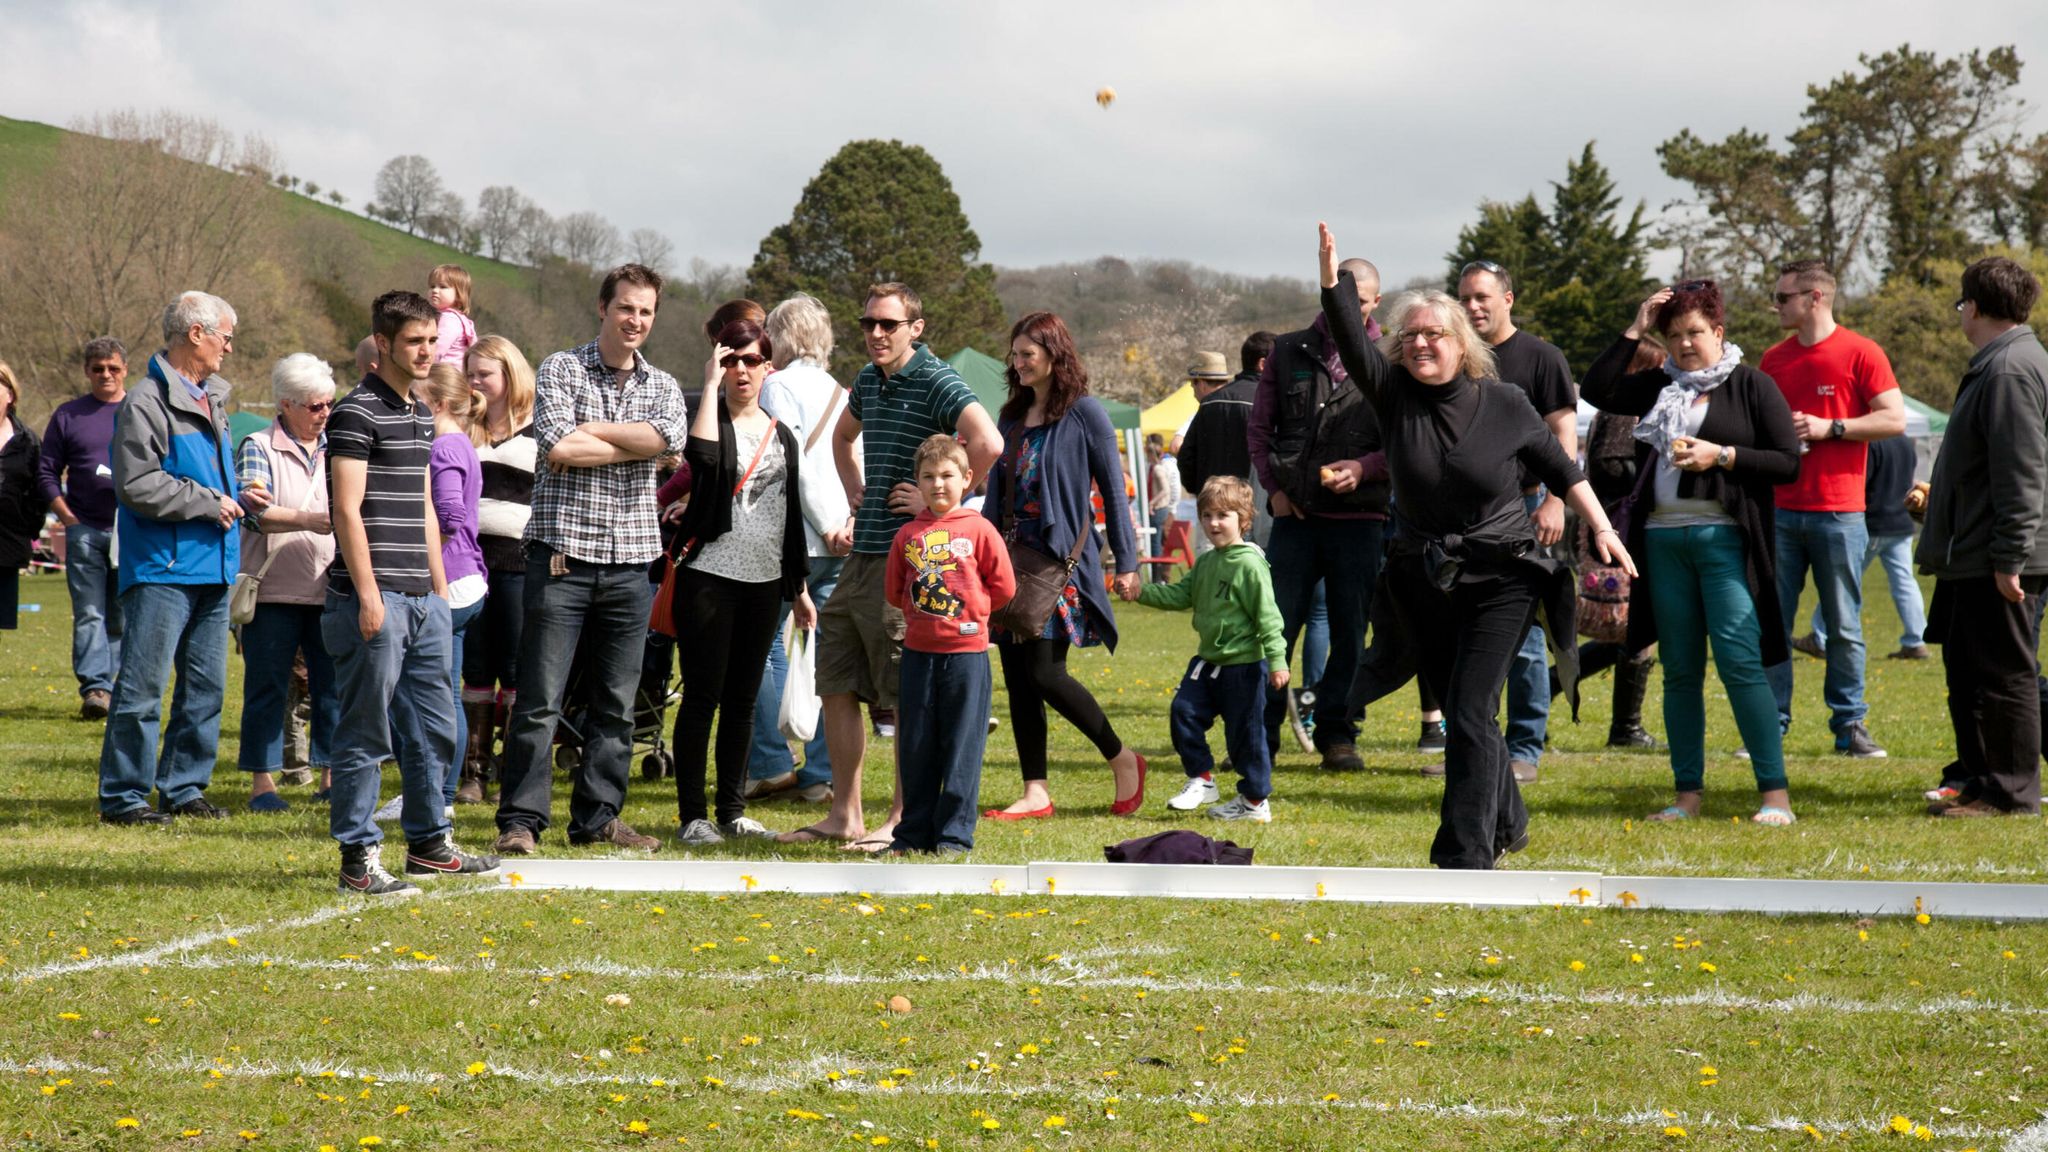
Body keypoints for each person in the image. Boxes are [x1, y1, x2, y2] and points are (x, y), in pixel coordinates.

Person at [1315, 223, 1633, 869]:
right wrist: (1332, 284)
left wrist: (1601, 529)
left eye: (1435, 333)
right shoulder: (1394, 397)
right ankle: (1510, 820)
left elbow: (1564, 470)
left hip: (1502, 575)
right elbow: (1350, 339)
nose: (1421, 343)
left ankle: (1466, 855)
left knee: (1466, 710)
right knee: (1472, 717)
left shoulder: (1507, 402)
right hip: (1424, 578)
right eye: (1411, 335)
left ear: (1462, 343)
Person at [776, 282, 1002, 851]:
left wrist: (935, 502)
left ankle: (902, 819)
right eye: (868, 323)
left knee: (903, 696)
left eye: (889, 324)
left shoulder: (937, 379)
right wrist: (856, 489)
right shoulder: (868, 380)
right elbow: (842, 438)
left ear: (915, 329)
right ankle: (844, 815)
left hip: (912, 562)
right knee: (835, 681)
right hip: (861, 555)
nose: (876, 333)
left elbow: (989, 442)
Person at [1582, 281, 1802, 826]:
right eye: (1675, 335)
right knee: (1679, 671)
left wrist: (1721, 455)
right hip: (1661, 543)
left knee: (1740, 664)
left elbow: (1787, 461)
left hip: (1724, 540)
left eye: (1695, 333)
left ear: (1718, 332)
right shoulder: (1660, 385)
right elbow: (1599, 389)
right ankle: (1687, 795)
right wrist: (1636, 328)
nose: (1684, 344)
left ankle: (1774, 795)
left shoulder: (1752, 385)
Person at [494, 264, 686, 856]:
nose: (635, 320)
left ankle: (599, 817)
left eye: (646, 311)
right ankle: (521, 821)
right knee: (539, 701)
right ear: (603, 308)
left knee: (617, 705)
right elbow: (558, 446)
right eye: (626, 307)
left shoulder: (664, 385)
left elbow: (669, 441)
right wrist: (636, 442)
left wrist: (595, 429)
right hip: (562, 558)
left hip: (631, 563)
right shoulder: (560, 367)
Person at [323, 291, 497, 894]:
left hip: (425, 599)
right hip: (373, 598)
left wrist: (440, 591)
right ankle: (358, 859)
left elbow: (425, 505)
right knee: (366, 732)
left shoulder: (422, 413)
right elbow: (346, 510)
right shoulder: (354, 412)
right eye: (414, 342)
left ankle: (429, 845)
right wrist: (370, 595)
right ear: (383, 343)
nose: (427, 352)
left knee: (435, 728)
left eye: (432, 341)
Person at [978, 312, 1146, 821]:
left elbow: (1114, 493)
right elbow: (994, 491)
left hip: (1057, 563)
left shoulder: (1085, 413)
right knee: (1017, 678)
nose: (1018, 363)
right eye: (1015, 354)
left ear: (1055, 355)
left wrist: (1127, 562)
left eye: (1028, 354)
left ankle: (1122, 758)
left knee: (1045, 673)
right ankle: (1035, 791)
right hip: (1008, 560)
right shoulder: (1010, 415)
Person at [96, 291, 244, 826]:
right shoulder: (145, 401)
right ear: (196, 334)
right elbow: (137, 484)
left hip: (214, 564)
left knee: (206, 689)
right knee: (143, 689)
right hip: (164, 567)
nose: (229, 347)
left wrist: (240, 496)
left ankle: (183, 788)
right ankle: (124, 798)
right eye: (225, 336)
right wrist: (209, 502)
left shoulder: (213, 400)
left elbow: (207, 478)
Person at [667, 319, 817, 845]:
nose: (741, 370)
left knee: (743, 702)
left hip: (764, 583)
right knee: (702, 698)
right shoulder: (711, 422)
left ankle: (731, 811)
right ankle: (693, 817)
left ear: (767, 367)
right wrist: (709, 386)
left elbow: (790, 518)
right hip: (709, 579)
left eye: (750, 360)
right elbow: (704, 461)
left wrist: (799, 589)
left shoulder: (782, 435)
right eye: (730, 360)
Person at [1918, 256, 2048, 819]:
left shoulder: (2009, 370)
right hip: (1976, 550)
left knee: (2004, 676)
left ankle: (2010, 793)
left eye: (1960, 303)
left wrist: (2010, 555)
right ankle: (1982, 781)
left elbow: (2022, 471)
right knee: (1972, 673)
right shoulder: (2004, 363)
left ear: (1972, 306)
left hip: (2001, 554)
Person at [1759, 259, 1906, 758]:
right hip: (1780, 511)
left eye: (1783, 298)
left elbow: (1893, 419)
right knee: (1773, 625)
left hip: (1840, 512)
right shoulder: (1773, 360)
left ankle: (1849, 726)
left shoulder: (1862, 352)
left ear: (1815, 298)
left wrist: (1832, 428)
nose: (1776, 306)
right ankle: (1769, 725)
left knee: (1843, 626)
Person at [1250, 253, 1390, 771]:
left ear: (1377, 303)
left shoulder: (1392, 356)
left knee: (1351, 634)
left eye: (1361, 301)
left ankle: (1337, 733)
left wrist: (1367, 468)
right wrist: (1273, 491)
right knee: (1275, 630)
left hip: (1361, 522)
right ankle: (1260, 735)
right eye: (1341, 298)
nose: (1349, 309)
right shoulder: (1288, 349)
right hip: (1296, 518)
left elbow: (1405, 438)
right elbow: (1259, 430)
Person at [1457, 261, 1578, 784]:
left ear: (1508, 299)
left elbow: (1563, 434)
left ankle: (1524, 747)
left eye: (1482, 297)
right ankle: (1470, 746)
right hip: (1463, 517)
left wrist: (1555, 501)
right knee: (1465, 634)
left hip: (1525, 509)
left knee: (1525, 636)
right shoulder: (1456, 354)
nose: (1472, 307)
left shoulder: (1541, 357)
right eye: (1464, 298)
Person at [1128, 475, 1287, 821]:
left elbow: (1269, 616)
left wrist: (1277, 661)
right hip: (1207, 664)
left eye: (1223, 515)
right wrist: (1141, 592)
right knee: (1183, 711)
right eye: (1207, 515)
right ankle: (1201, 779)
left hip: (1244, 668)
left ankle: (1254, 802)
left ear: (1244, 520)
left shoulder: (1249, 565)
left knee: (1245, 737)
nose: (1214, 523)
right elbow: (1180, 595)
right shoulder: (1206, 562)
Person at [885, 434, 1015, 853]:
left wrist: (972, 614)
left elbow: (1004, 587)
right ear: (918, 482)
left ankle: (954, 835)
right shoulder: (908, 534)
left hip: (966, 657)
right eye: (928, 477)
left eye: (946, 475)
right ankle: (912, 834)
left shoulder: (979, 529)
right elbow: (894, 591)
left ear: (967, 478)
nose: (938, 484)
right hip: (918, 655)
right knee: (916, 747)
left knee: (961, 747)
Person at [744, 295, 849, 806]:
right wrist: (844, 521)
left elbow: (790, 463)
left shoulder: (777, 386)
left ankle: (770, 762)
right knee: (829, 658)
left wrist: (825, 524)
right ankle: (822, 774)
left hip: (797, 539)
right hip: (841, 538)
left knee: (759, 647)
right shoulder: (841, 389)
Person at [233, 353, 339, 813]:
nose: (324, 413)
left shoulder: (338, 445)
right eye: (315, 406)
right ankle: (263, 783)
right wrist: (309, 520)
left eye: (329, 404)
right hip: (273, 590)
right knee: (267, 687)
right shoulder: (258, 445)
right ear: (286, 404)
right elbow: (254, 512)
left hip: (330, 587)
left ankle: (332, 777)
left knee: (333, 688)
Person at [456, 336, 537, 803]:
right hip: (469, 559)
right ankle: (474, 771)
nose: (475, 382)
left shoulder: (540, 429)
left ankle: (513, 768)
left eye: (484, 374)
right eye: (469, 373)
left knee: (516, 667)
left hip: (520, 563)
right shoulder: (465, 427)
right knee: (476, 665)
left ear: (510, 374)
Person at [37, 337, 128, 717]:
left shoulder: (140, 411)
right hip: (84, 530)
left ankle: (116, 687)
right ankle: (95, 688)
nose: (106, 374)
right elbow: (46, 472)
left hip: (130, 532)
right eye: (98, 368)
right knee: (90, 612)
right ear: (86, 371)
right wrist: (67, 517)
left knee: (121, 616)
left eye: (113, 368)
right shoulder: (68, 415)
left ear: (125, 370)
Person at [422, 364, 489, 811]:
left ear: (440, 404)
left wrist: (425, 560)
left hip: (448, 583)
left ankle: (437, 794)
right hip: (467, 581)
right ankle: (439, 794)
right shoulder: (462, 443)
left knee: (435, 697)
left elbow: (448, 515)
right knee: (446, 694)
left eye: (419, 398)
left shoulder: (444, 446)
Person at [1800, 433, 1929, 661]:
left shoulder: (1869, 443)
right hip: (1901, 522)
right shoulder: (1905, 442)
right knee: (1905, 583)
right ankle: (1916, 640)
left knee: (1843, 581)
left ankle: (1819, 637)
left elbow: (1859, 482)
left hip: (1874, 523)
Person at [0, 363, 46, 631]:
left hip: (6, 546)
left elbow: (38, 493)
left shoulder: (28, 442)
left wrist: (27, 529)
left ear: (10, 395)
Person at [1144, 434, 1179, 581]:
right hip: (1161, 509)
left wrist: (1152, 503)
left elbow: (1167, 490)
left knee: (1156, 545)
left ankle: (1158, 579)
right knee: (1156, 544)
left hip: (1160, 510)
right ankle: (1158, 578)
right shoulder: (1155, 467)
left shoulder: (1159, 468)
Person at [428, 264, 477, 367]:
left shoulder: (449, 319)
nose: (435, 290)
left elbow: (436, 350)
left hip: (443, 373)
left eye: (443, 287)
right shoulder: (456, 318)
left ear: (459, 295)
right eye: (432, 286)